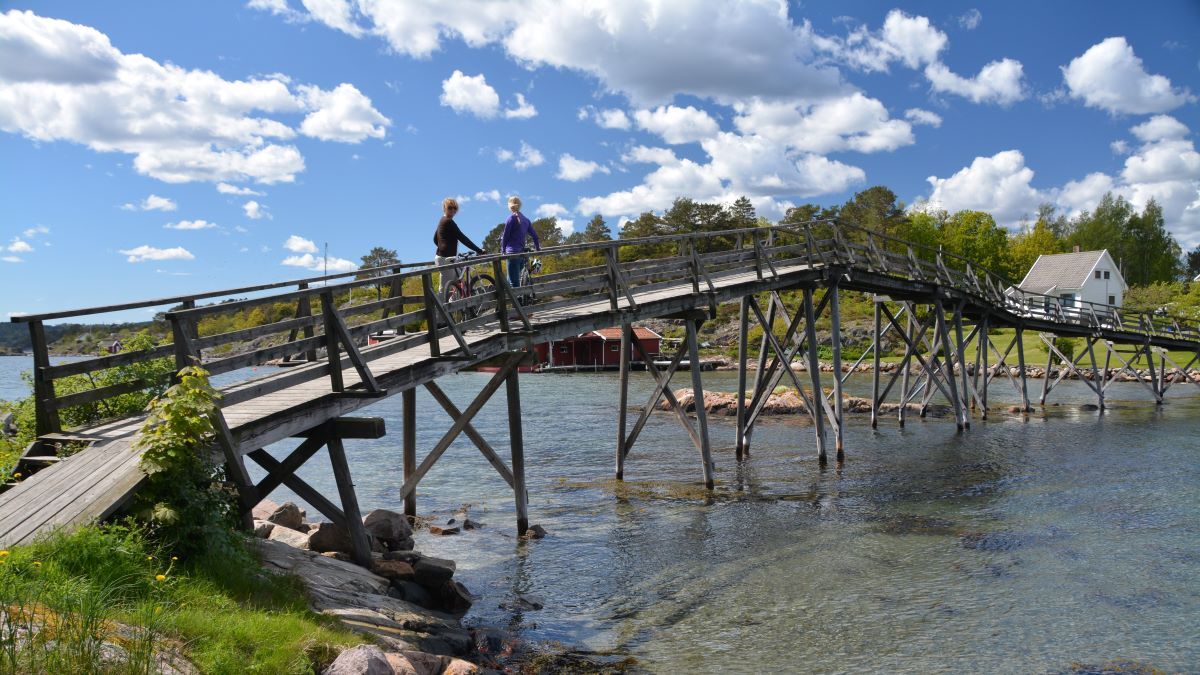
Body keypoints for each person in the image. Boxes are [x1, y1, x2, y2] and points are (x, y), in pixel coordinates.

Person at [434, 197, 484, 298]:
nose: (453, 210)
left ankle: (454, 308)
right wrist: (479, 250)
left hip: (446, 258)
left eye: (455, 208)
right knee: (444, 291)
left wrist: (442, 246)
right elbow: (462, 238)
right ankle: (438, 313)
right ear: (444, 208)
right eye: (450, 208)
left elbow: (435, 239)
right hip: (446, 259)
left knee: (459, 284)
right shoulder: (448, 221)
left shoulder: (442, 221)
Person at [500, 196, 540, 289]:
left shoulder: (510, 218)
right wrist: (537, 248)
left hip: (512, 254)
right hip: (522, 254)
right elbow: (534, 235)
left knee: (514, 284)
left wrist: (502, 250)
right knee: (520, 281)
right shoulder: (526, 220)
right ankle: (523, 300)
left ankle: (518, 303)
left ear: (509, 206)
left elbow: (505, 236)